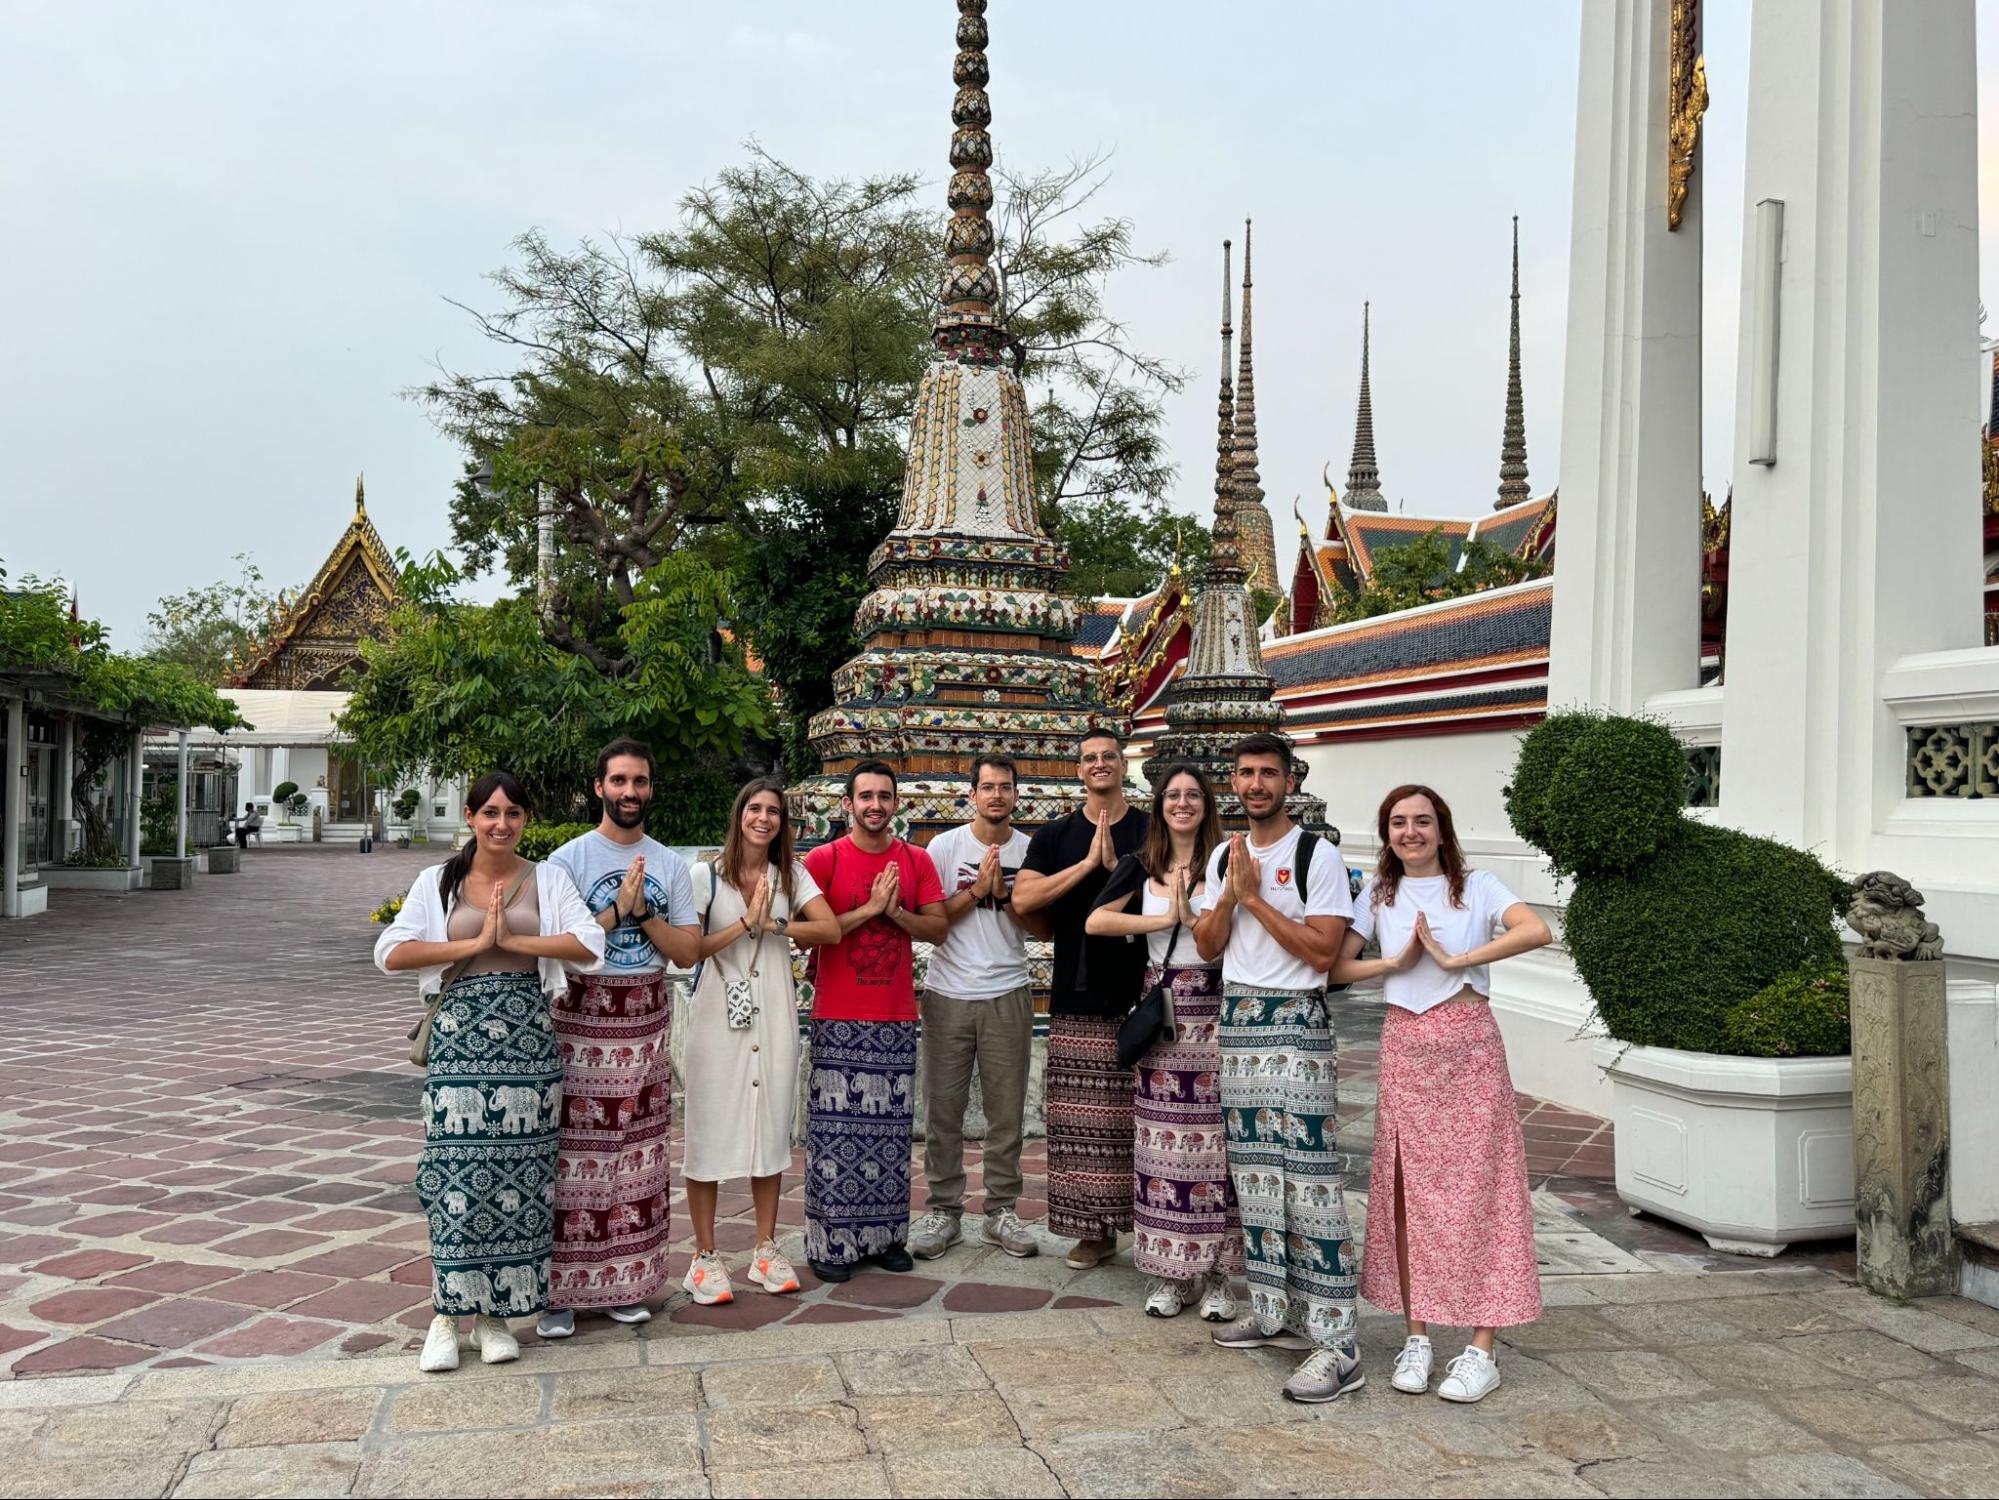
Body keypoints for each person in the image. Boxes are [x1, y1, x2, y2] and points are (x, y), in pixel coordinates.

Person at [374, 771, 604, 1374]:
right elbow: (391, 953)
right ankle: (447, 1316)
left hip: (528, 1045)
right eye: (490, 813)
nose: (502, 824)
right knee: (454, 1177)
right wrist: (472, 944)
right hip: (459, 1041)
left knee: (522, 1181)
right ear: (471, 817)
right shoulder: (438, 881)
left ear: (525, 819)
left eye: (514, 813)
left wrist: (519, 944)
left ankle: (499, 1315)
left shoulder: (546, 878)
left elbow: (589, 944)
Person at [1332, 784, 1551, 1404]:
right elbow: (1338, 967)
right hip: (1406, 1043)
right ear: (1386, 833)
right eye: (1398, 823)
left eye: (1422, 822)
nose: (1410, 833)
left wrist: (1459, 959)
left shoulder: (1476, 886)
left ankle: (1482, 1346)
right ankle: (1418, 1335)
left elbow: (1534, 930)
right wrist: (1392, 963)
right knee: (1408, 1191)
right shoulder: (1377, 894)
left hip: (1469, 1040)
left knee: (1485, 1185)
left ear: (1441, 828)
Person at [1192, 732, 1359, 1404]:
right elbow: (1206, 946)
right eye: (1244, 774)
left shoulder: (1317, 854)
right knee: (1255, 1178)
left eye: (1267, 774)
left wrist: (1257, 898)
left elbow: (1322, 953)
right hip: (1238, 1018)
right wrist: (1231, 895)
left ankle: (1337, 1341)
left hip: (1295, 1020)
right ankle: (1272, 1309)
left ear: (1289, 781)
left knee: (1310, 1180)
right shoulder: (1222, 855)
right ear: (1232, 782)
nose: (1255, 784)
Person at [538, 740, 699, 1336]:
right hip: (583, 1020)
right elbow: (558, 953)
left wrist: (643, 915)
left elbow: (687, 949)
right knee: (573, 1157)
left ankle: (625, 1282)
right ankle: (558, 1292)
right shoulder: (567, 862)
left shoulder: (671, 865)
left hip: (647, 1017)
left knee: (638, 1157)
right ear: (599, 786)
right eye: (620, 781)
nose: (631, 792)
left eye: (641, 781)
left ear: (651, 788)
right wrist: (612, 914)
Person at [1085, 762, 1241, 1321]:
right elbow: (1096, 922)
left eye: (1193, 795)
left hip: (1217, 1012)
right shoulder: (1142, 864)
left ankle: (1220, 1275)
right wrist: (1167, 919)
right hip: (1164, 1015)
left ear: (1207, 805)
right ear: (1160, 806)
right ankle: (1171, 1275)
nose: (1182, 804)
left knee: (1219, 1152)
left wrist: (1199, 913)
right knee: (1161, 1149)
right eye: (1173, 796)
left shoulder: (1226, 863)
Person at [682, 777, 840, 1301]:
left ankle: (765, 1248)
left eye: (774, 811)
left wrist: (774, 926)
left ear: (782, 823)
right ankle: (704, 1257)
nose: (764, 818)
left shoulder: (792, 875)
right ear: (739, 815)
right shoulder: (705, 876)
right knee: (707, 1129)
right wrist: (743, 924)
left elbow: (830, 930)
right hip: (716, 1015)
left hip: (772, 1011)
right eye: (755, 808)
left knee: (769, 1130)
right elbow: (690, 949)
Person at [799, 762, 947, 1283]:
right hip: (838, 1015)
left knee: (889, 1135)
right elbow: (804, 936)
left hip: (894, 1015)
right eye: (865, 796)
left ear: (896, 803)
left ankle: (885, 1238)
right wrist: (869, 911)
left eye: (884, 795)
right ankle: (830, 1242)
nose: (875, 805)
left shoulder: (916, 860)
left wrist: (897, 913)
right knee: (836, 1133)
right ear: (848, 804)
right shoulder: (823, 860)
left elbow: (939, 928)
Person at [1014, 727, 1150, 1270]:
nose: (1100, 765)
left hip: (1142, 989)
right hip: (1075, 989)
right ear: (1079, 770)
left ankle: (1153, 1227)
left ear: (1122, 765)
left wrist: (1125, 866)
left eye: (1109, 757)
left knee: (1142, 1119)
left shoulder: (1150, 829)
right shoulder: (1054, 836)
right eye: (1090, 758)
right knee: (1078, 1123)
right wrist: (1089, 866)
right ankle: (1093, 1231)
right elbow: (1023, 898)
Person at [908, 753, 1048, 1262]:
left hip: (1008, 991)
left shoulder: (1033, 851)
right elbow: (933, 921)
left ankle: (1001, 1211)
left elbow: (1044, 929)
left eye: (1004, 787)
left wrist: (1006, 895)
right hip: (948, 993)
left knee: (1005, 1113)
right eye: (986, 787)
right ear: (971, 794)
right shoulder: (945, 847)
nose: (995, 795)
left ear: (1015, 795)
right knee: (942, 1111)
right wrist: (975, 890)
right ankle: (944, 1208)